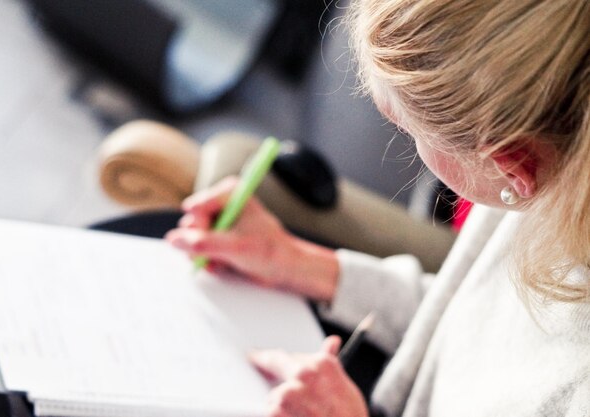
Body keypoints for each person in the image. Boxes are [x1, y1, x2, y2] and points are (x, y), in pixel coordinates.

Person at [165, 0, 590, 415]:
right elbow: (466, 326)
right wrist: (305, 264)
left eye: (408, 131)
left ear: (515, 167)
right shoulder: (553, 170)